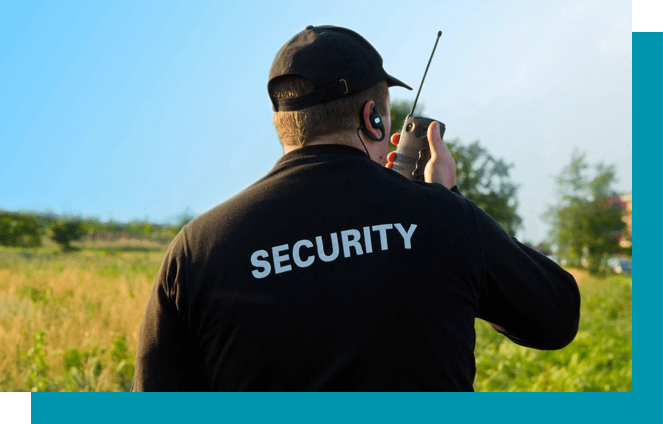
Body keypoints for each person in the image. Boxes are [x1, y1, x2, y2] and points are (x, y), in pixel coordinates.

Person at [131, 25, 580, 391]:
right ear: (374, 118)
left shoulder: (195, 249)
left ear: (282, 124)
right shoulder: (445, 217)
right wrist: (446, 199)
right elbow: (557, 316)